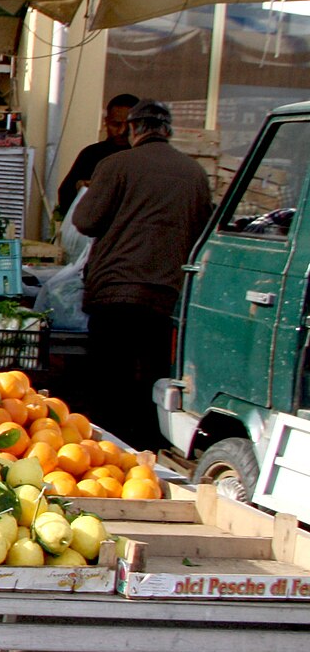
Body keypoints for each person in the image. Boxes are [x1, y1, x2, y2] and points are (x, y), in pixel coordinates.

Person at [71, 99, 214, 448]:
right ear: (167, 131)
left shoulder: (116, 165)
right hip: (163, 296)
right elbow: (203, 232)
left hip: (114, 291)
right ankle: (148, 454)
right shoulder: (194, 173)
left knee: (107, 381)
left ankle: (106, 452)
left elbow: (85, 221)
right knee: (149, 381)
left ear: (134, 129)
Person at [56, 93, 140, 217]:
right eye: (116, 124)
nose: (121, 131)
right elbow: (65, 197)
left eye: (128, 126)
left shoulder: (147, 158)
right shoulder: (91, 154)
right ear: (106, 122)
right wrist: (80, 188)